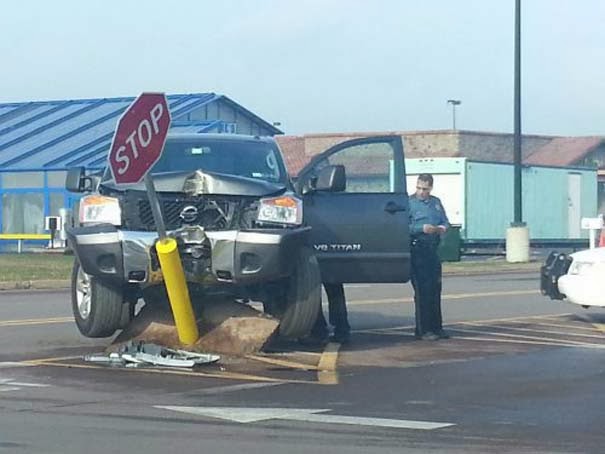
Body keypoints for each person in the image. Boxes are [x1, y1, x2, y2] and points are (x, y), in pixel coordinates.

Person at [409, 173, 450, 341]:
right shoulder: (409, 203)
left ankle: (436, 327)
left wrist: (442, 228)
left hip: (433, 247)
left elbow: (445, 221)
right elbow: (403, 226)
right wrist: (420, 228)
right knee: (423, 290)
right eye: (419, 188)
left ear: (431, 188)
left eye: (425, 189)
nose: (421, 192)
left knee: (435, 288)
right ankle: (423, 329)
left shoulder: (436, 203)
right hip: (418, 247)